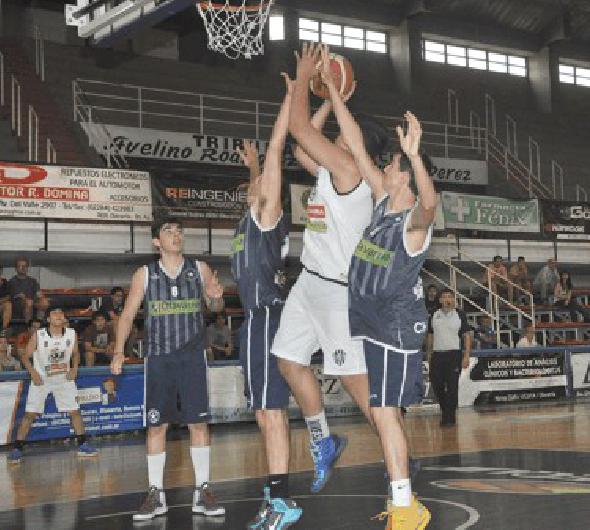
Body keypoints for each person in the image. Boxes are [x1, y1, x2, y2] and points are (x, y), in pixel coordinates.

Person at [272, 42, 389, 495]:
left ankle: (400, 454)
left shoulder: (349, 171)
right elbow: (303, 150)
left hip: (337, 292)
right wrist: (325, 96)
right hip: (308, 284)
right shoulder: (332, 168)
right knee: (287, 360)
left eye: (347, 132)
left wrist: (305, 81)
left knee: (357, 387)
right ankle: (323, 440)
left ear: (358, 148)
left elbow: (299, 130)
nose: (341, 135)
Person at [327, 67, 436, 525]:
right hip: (372, 322)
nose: (385, 166)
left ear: (404, 179)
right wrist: (334, 92)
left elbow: (431, 207)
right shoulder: (380, 204)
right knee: (385, 411)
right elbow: (352, 141)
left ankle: (406, 507)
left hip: (395, 324)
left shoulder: (413, 224)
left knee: (385, 411)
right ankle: (402, 501)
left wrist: (416, 157)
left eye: (392, 166)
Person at [110, 217, 226, 521]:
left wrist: (216, 299)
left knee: (198, 424)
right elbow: (127, 315)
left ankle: (203, 490)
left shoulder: (199, 269)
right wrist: (119, 350)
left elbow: (215, 309)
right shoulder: (145, 274)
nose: (176, 235)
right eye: (169, 232)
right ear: (156, 242)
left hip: (192, 357)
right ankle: (155, 494)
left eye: (179, 231)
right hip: (159, 358)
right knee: (156, 425)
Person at [231, 75, 303, 530]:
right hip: (252, 323)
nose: (253, 187)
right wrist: (253, 165)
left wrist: (292, 97)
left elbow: (278, 151)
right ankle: (274, 494)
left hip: (267, 318)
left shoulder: (267, 217)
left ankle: (282, 500)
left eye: (258, 185)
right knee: (262, 413)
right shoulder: (246, 222)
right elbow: (260, 175)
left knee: (272, 413)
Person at [8, 307, 97, 463]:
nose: (58, 315)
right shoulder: (39, 335)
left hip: (63, 378)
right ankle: (17, 448)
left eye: (61, 313)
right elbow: (24, 356)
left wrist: (74, 368)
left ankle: (83, 444)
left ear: (63, 319)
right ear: (48, 319)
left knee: (75, 411)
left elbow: (76, 353)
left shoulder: (71, 334)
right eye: (54, 314)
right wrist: (33, 373)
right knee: (30, 414)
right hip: (41, 378)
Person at [427, 289, 472, 428]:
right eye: (444, 296)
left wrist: (466, 355)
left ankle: (449, 417)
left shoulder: (460, 314)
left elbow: (467, 336)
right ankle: (445, 411)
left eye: (450, 297)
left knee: (452, 387)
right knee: (437, 386)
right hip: (437, 355)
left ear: (454, 299)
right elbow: (430, 335)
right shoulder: (434, 315)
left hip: (454, 354)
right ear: (440, 300)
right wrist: (429, 355)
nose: (447, 299)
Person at [3, 257, 42, 330]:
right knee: (27, 302)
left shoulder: (33, 281)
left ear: (27, 268)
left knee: (35, 302)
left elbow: (38, 296)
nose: (22, 268)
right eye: (20, 266)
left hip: (31, 308)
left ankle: (35, 326)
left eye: (24, 266)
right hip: (15, 310)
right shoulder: (11, 282)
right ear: (16, 268)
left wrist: (35, 299)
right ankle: (29, 328)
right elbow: (7, 298)